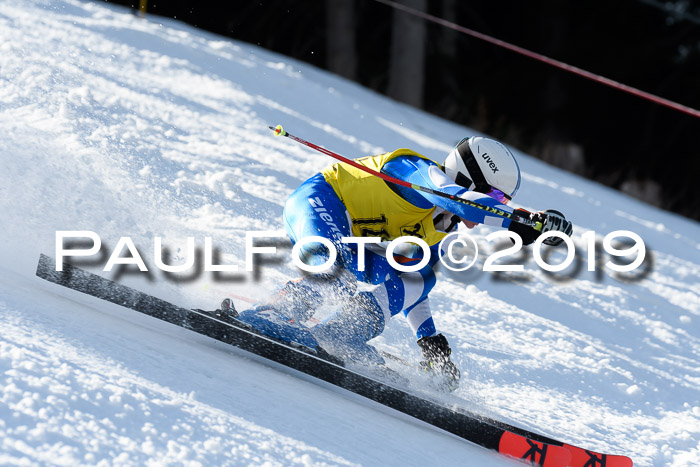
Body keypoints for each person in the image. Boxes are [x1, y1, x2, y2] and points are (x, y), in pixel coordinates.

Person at [222, 136, 572, 391]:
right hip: (317, 203)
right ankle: (270, 314)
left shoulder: (438, 228)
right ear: (469, 179)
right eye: (494, 196)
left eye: (502, 201)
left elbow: (414, 289)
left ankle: (341, 335)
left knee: (420, 277)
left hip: (352, 242)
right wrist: (519, 220)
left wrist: (429, 340)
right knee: (337, 272)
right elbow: (459, 199)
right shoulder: (417, 171)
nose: (493, 207)